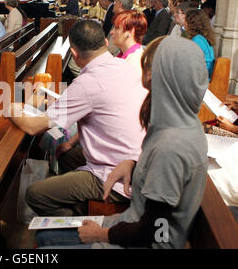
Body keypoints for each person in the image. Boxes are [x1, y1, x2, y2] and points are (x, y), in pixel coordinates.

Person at [36, 35, 210, 249]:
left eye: (148, 68)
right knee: (45, 235)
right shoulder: (184, 124)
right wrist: (134, 165)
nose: (143, 74)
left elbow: (156, 231)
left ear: (157, 77)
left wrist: (101, 234)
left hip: (142, 241)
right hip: (132, 224)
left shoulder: (171, 146)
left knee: (46, 244)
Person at [9, 20, 147, 217]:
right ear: (106, 44)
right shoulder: (126, 67)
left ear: (73, 54)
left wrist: (12, 107)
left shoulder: (86, 84)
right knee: (64, 152)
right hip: (137, 163)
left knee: (35, 194)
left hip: (114, 176)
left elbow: (33, 127)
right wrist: (71, 143)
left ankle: (79, 221)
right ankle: (81, 202)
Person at [185, 9, 216, 80]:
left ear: (191, 23)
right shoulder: (201, 37)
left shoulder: (197, 40)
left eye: (185, 20)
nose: (184, 23)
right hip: (203, 74)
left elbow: (190, 62)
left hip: (201, 78)